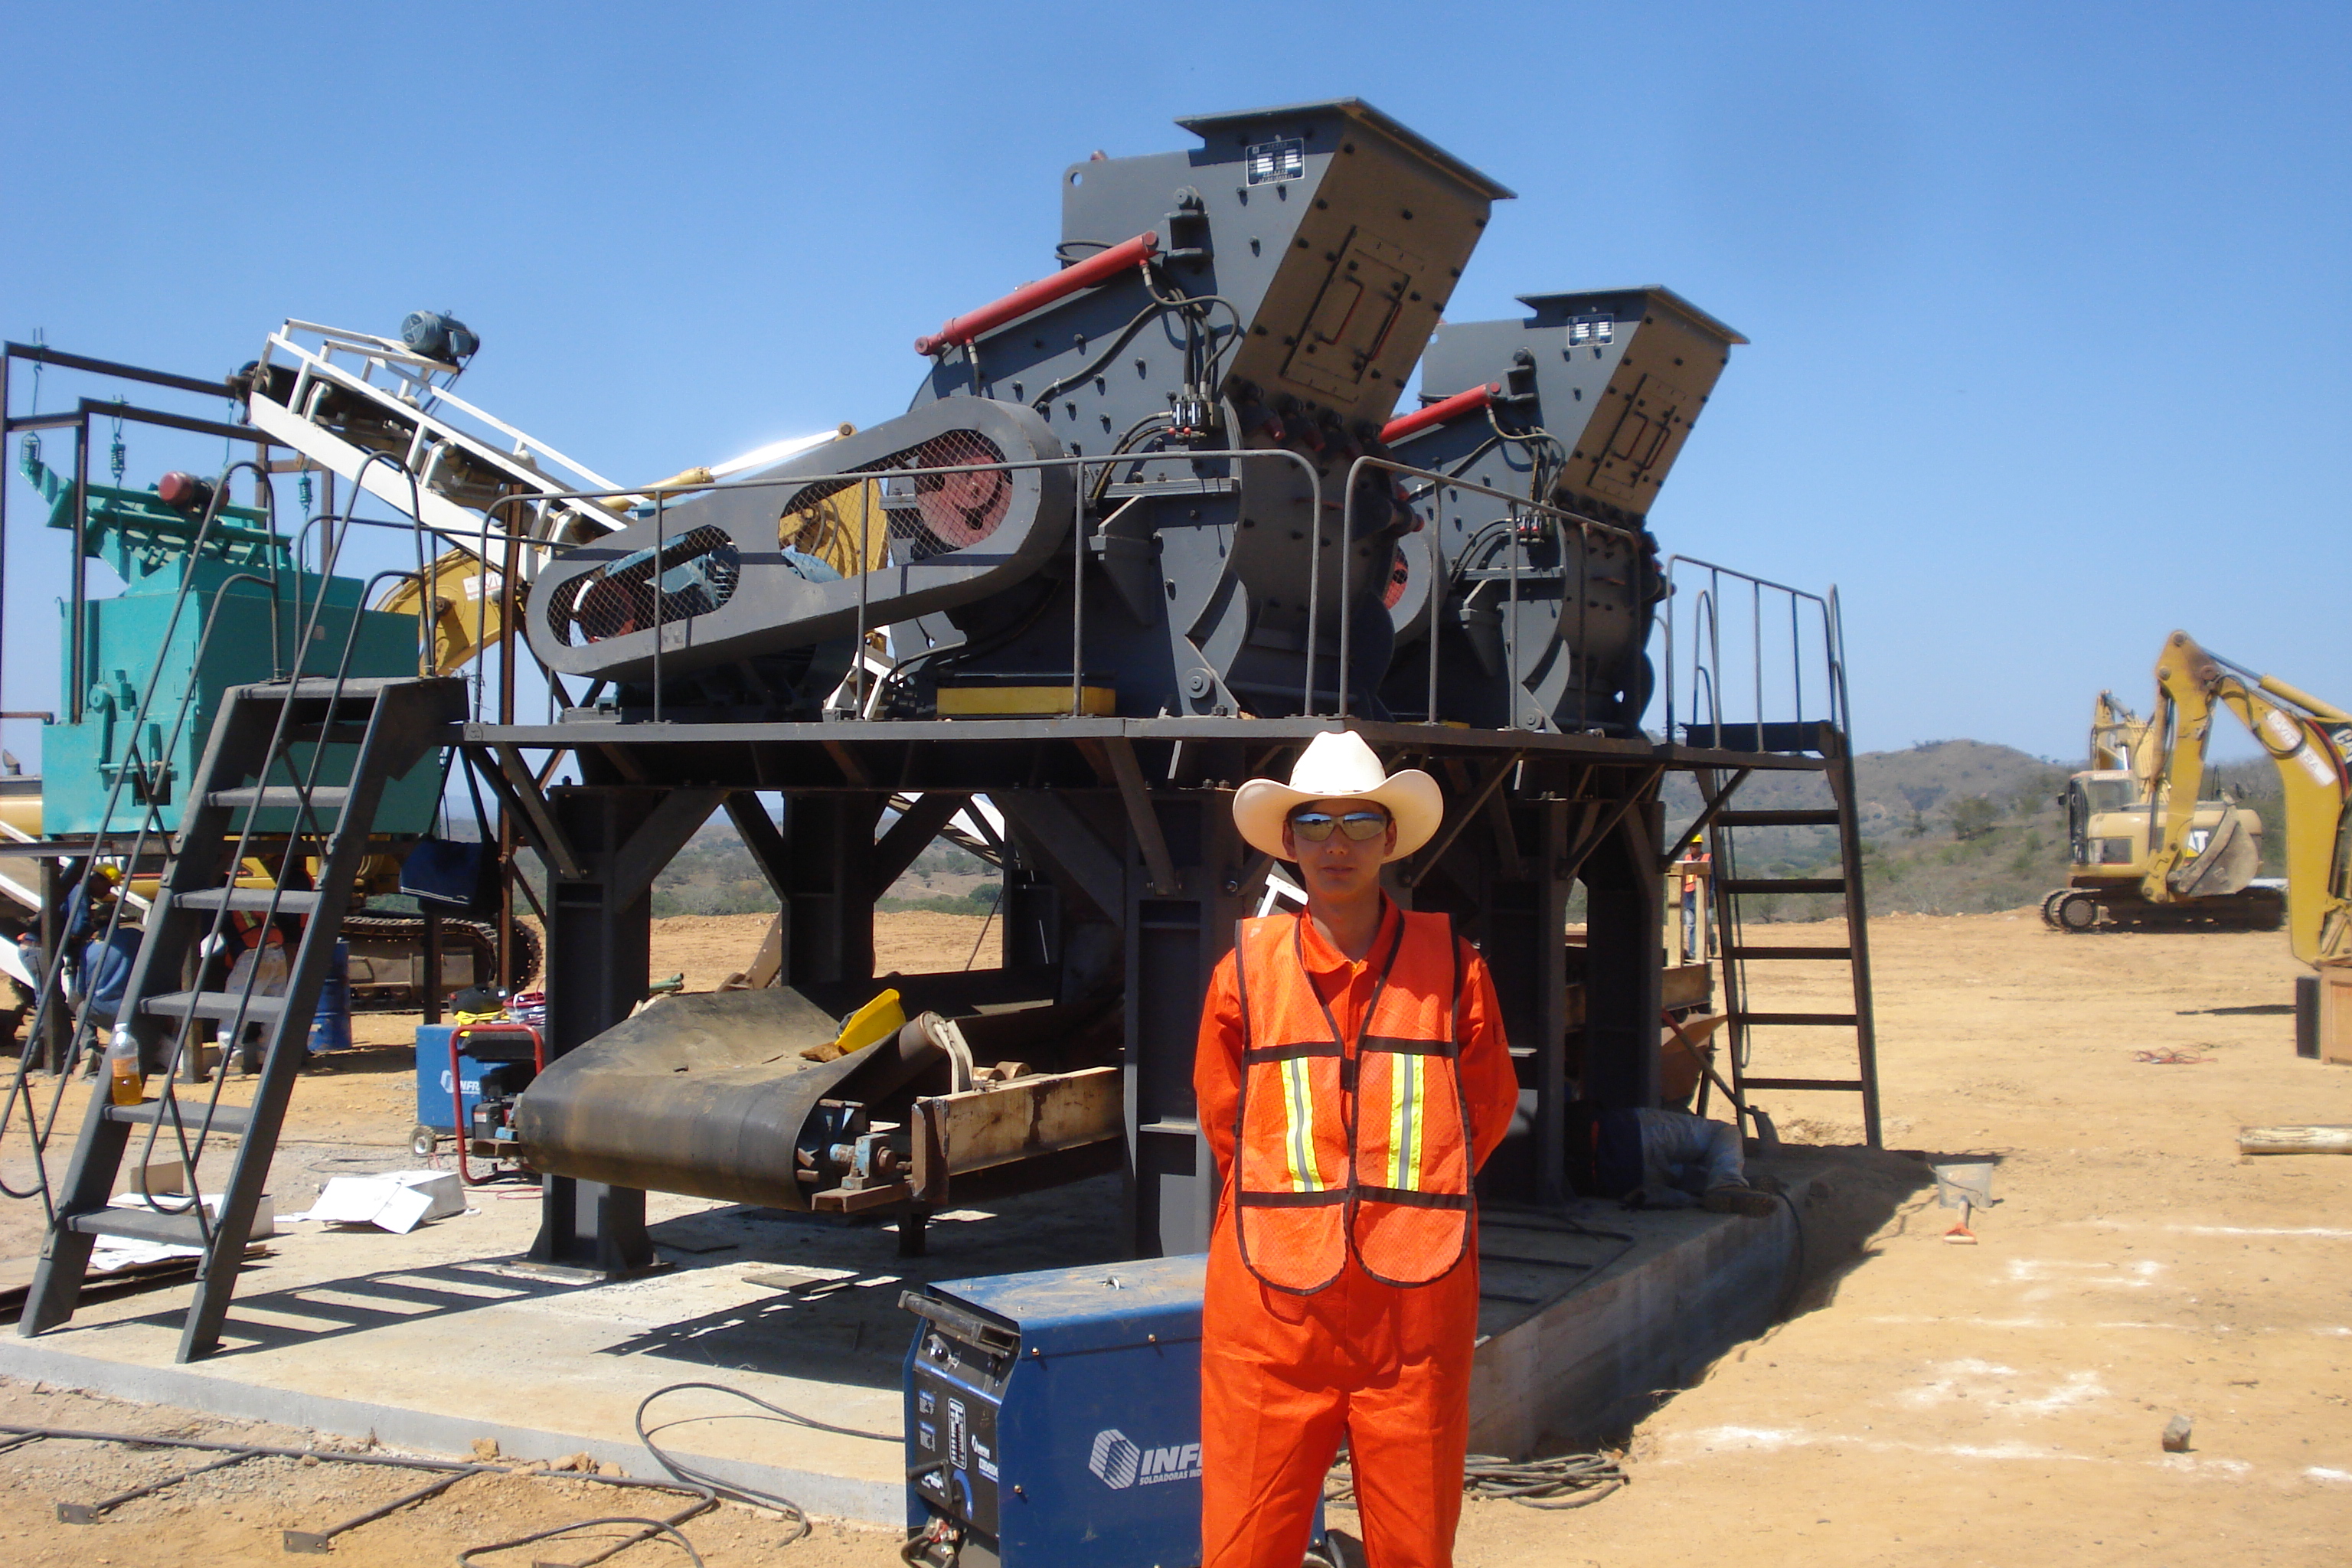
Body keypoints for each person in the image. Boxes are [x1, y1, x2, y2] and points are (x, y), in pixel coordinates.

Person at [1194, 732, 1520, 1568]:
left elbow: (1484, 1107)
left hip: (1414, 1313)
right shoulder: (1244, 971)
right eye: (1315, 822)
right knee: (1244, 1542)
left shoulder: (1455, 969)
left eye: (1358, 822)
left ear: (1390, 837)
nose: (1336, 843)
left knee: (1414, 1545)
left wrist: (1412, 1204)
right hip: (1272, 1312)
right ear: (1289, 840)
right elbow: (1223, 1115)